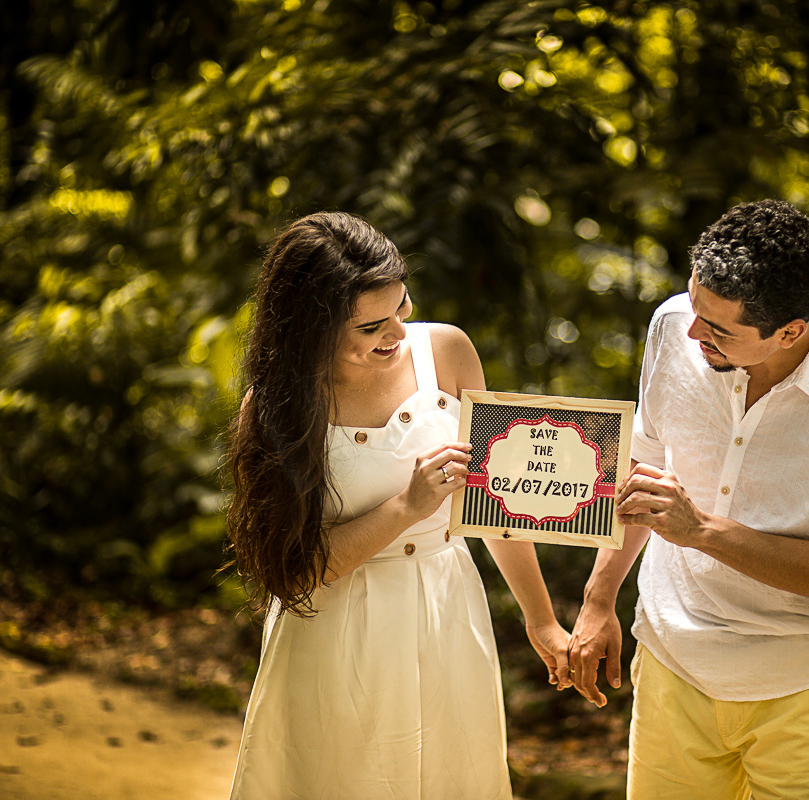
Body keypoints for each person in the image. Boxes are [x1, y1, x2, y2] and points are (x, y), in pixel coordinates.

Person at [567, 200, 809, 799]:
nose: (691, 331)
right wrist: (599, 600)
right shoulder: (674, 327)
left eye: (718, 329)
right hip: (670, 659)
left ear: (791, 329)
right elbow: (643, 469)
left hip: (796, 683)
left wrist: (701, 530)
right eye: (694, 304)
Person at [225, 211, 571, 800]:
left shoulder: (448, 352)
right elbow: (293, 572)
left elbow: (498, 500)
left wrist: (541, 622)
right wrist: (407, 507)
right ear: (311, 326)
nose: (395, 332)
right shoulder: (277, 406)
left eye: (401, 307)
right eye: (369, 326)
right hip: (335, 632)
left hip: (446, 611)